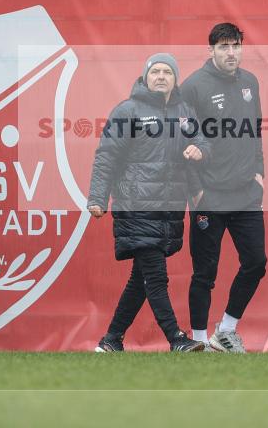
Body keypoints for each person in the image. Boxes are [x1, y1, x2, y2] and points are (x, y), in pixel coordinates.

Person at [88, 53, 209, 353]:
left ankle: (111, 340)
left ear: (175, 79)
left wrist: (199, 149)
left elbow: (204, 142)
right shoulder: (128, 110)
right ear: (145, 77)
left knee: (139, 279)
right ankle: (176, 338)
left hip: (169, 210)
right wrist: (97, 198)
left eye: (167, 72)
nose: (161, 76)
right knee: (155, 276)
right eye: (155, 71)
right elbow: (106, 158)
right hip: (136, 205)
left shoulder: (185, 112)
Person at [179, 23, 266, 353]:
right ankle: (198, 341)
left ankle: (226, 331)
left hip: (246, 194)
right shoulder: (193, 87)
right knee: (205, 273)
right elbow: (183, 143)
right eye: (224, 47)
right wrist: (196, 191)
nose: (232, 53)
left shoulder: (250, 83)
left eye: (236, 46)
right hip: (209, 196)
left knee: (256, 262)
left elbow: (255, 132)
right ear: (211, 51)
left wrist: (259, 172)